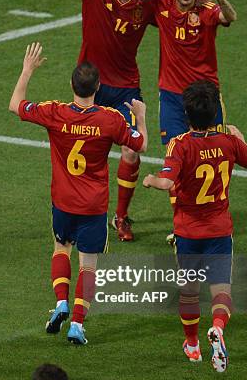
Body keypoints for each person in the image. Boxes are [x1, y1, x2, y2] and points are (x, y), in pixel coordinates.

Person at [9, 43, 147, 344]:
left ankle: (61, 303)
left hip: (63, 202)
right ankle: (78, 325)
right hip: (93, 206)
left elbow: (15, 104)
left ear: (72, 85)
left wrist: (27, 70)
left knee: (61, 250)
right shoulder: (110, 119)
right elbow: (140, 145)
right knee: (88, 265)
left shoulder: (55, 113)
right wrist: (140, 115)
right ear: (98, 87)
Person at [49, 0, 155, 242]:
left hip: (125, 87)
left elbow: (176, 3)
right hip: (91, 85)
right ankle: (77, 211)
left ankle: (121, 217)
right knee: (85, 149)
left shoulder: (146, 2)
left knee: (133, 149)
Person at [143, 80, 247, 372]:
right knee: (221, 291)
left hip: (188, 232)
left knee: (189, 291)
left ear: (186, 114)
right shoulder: (230, 142)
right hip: (220, 231)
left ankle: (193, 346)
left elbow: (167, 182)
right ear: (215, 114)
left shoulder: (180, 144)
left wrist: (149, 180)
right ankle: (219, 329)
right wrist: (241, 138)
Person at [148, 0, 238, 145]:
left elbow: (230, 16)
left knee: (212, 150)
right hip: (172, 95)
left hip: (206, 95)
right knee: (175, 151)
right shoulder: (161, 3)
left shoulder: (207, 9)